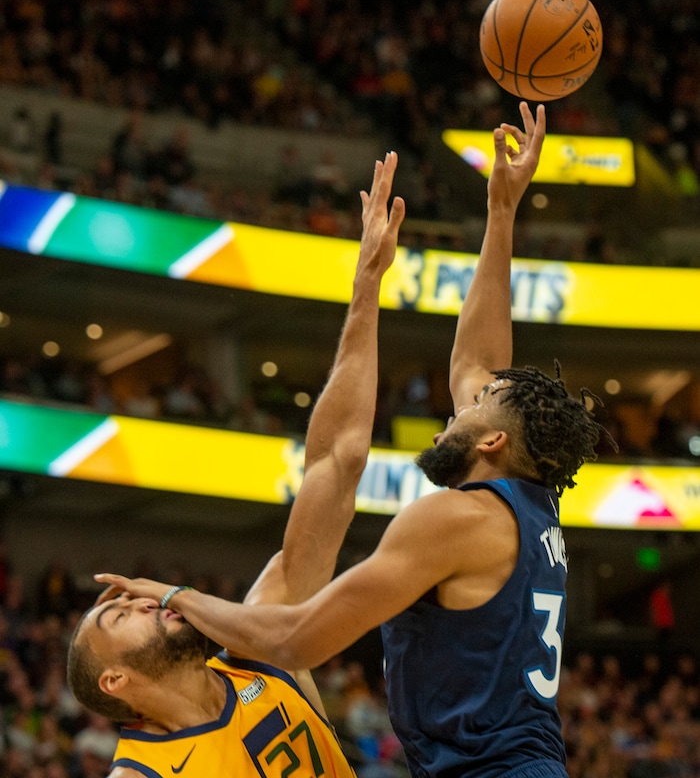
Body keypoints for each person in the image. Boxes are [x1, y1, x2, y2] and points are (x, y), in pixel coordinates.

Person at [95, 103, 609, 778]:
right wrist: (500, 212)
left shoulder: (462, 518)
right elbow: (477, 369)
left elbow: (298, 632)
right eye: (113, 619)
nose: (460, 397)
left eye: (477, 404)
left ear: (491, 445)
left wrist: (173, 595)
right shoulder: (522, 504)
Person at [66, 152, 406, 777]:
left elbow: (339, 459)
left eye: (131, 601)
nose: (143, 603)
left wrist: (366, 287)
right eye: (119, 614)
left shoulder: (261, 651)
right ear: (113, 681)